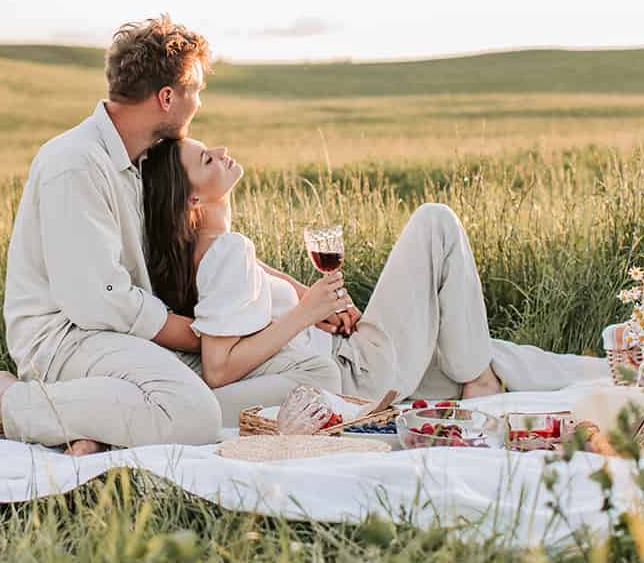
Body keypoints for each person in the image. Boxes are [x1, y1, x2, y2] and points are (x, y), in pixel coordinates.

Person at [0, 15, 333, 451]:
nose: (197, 104)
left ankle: (107, 422)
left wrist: (296, 296)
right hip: (68, 338)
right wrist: (199, 334)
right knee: (192, 416)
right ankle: (5, 403)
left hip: (127, 338)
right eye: (194, 91)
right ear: (166, 97)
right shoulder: (76, 162)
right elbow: (98, 300)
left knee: (311, 373)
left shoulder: (144, 161)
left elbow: (196, 246)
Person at [140, 135, 610, 404]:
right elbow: (220, 370)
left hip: (351, 358)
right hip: (354, 372)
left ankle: (625, 375)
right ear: (193, 198)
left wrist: (308, 298)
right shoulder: (225, 253)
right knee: (435, 222)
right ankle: (482, 386)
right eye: (206, 159)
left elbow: (252, 292)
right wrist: (304, 314)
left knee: (489, 355)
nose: (220, 150)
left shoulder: (223, 249)